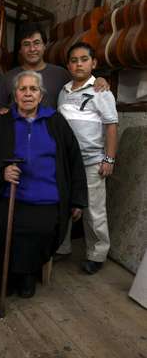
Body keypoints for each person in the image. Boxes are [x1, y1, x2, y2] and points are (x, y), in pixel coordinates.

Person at [0, 70, 88, 298]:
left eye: (33, 89)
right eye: (22, 89)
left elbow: (74, 159)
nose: (27, 94)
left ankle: (26, 274)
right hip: (8, 193)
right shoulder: (1, 122)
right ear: (14, 95)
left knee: (43, 227)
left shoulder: (55, 121)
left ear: (41, 95)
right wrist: (1, 170)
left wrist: (77, 199)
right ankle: (10, 274)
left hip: (47, 195)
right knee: (0, 224)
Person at [57, 42, 118, 274]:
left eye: (84, 59)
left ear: (93, 63)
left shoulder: (101, 91)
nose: (79, 63)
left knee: (94, 210)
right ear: (68, 65)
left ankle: (97, 254)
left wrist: (109, 159)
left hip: (93, 162)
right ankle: (62, 247)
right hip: (67, 162)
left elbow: (111, 126)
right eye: (74, 60)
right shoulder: (63, 91)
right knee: (64, 206)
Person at [0, 22, 108, 114]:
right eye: (26, 44)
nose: (32, 49)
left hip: (52, 138)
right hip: (18, 138)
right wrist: (1, 111)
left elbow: (82, 83)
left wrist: (98, 80)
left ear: (45, 46)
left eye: (37, 43)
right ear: (20, 49)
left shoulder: (62, 74)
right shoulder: (8, 76)